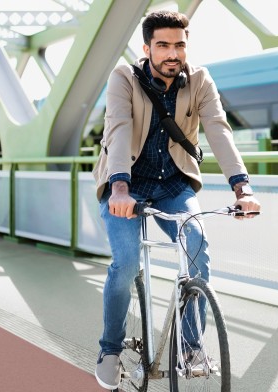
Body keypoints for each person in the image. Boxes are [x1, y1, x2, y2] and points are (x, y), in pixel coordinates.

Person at [91, 10, 261, 391]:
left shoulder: (199, 80)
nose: (172, 53)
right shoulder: (123, 78)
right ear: (147, 47)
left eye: (179, 45)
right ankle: (110, 349)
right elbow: (117, 128)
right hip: (126, 183)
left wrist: (242, 187)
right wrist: (119, 186)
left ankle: (191, 347)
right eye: (163, 45)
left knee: (197, 248)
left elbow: (218, 129)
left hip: (173, 184)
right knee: (127, 262)